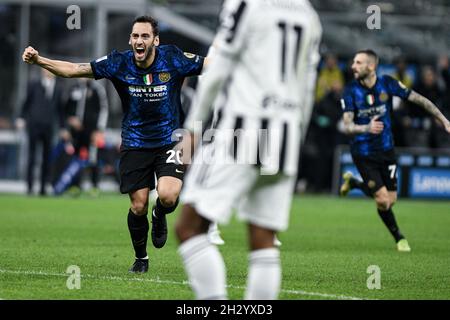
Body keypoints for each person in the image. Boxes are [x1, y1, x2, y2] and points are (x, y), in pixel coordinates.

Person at [22, 15, 207, 273]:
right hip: (134, 142)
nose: (138, 41)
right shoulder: (118, 63)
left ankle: (161, 214)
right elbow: (75, 70)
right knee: (138, 205)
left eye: (144, 36)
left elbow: (212, 64)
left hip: (171, 140)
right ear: (130, 39)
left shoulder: (173, 58)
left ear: (156, 40)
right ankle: (141, 257)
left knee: (167, 196)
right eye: (134, 36)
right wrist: (39, 60)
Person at [175, 0, 322, 300]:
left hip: (243, 129)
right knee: (264, 239)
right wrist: (296, 137)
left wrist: (193, 129)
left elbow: (218, 68)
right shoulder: (308, 14)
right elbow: (308, 87)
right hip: (285, 134)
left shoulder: (246, 4)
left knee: (188, 228)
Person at [339, 49, 450, 252]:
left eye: (358, 62)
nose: (353, 66)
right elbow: (346, 126)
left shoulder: (387, 84)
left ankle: (354, 183)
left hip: (387, 149)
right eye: (353, 62)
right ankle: (400, 238)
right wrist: (365, 127)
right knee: (382, 200)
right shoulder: (350, 91)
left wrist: (443, 119)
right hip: (363, 152)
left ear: (371, 66)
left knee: (391, 199)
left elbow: (419, 99)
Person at [16, 68, 62, 196]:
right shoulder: (34, 85)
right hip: (34, 125)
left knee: (47, 158)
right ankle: (30, 187)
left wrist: (63, 128)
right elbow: (26, 103)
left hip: (49, 127)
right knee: (32, 156)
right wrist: (21, 118)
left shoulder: (58, 88)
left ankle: (43, 188)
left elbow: (60, 110)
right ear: (42, 71)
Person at [60, 78, 108, 197]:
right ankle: (75, 186)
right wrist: (70, 121)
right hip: (76, 132)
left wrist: (99, 130)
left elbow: (103, 109)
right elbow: (65, 109)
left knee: (93, 158)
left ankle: (94, 186)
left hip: (92, 131)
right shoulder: (73, 89)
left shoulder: (97, 89)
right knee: (75, 159)